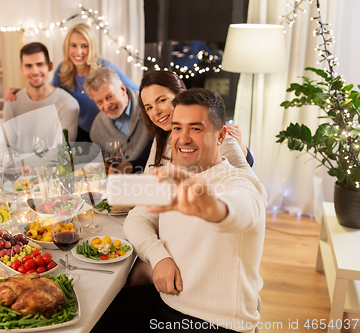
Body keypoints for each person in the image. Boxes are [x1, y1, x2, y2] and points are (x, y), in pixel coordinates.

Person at [92, 88, 267, 332]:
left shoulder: (240, 183)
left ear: (221, 136)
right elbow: (137, 218)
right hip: (168, 302)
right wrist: (158, 256)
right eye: (177, 128)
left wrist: (213, 208)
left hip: (217, 320)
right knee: (94, 315)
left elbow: (240, 211)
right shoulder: (179, 175)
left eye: (196, 128)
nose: (183, 138)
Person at [5, 23, 139, 142]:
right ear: (67, 47)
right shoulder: (63, 70)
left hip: (105, 129)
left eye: (84, 46)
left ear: (91, 47)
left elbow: (136, 92)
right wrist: (21, 92)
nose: (78, 51)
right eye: (73, 45)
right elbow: (48, 92)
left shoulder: (104, 67)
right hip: (79, 131)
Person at [110, 70, 253, 175]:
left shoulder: (211, 134)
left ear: (181, 95)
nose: (156, 112)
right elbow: (150, 185)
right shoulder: (161, 138)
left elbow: (246, 180)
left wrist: (242, 150)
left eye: (161, 100)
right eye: (149, 107)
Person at [3, 42, 79, 143]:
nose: (35, 71)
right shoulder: (11, 102)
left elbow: (63, 151)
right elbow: (6, 147)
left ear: (50, 66)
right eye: (28, 66)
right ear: (21, 69)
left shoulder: (67, 104)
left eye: (40, 64)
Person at [83, 67, 151, 166]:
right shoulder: (97, 127)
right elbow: (101, 163)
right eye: (99, 102)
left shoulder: (148, 106)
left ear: (122, 89)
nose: (106, 106)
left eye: (110, 97)